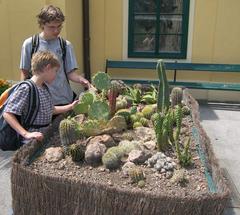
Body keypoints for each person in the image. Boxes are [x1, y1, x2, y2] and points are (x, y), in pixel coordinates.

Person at [20, 5, 91, 106]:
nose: (56, 31)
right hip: (40, 103)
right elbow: (25, 73)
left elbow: (70, 74)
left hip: (64, 100)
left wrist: (82, 80)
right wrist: (23, 97)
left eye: (59, 27)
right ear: (42, 24)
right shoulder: (30, 44)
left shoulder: (65, 45)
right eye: (52, 27)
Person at [3, 51, 78, 144]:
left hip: (43, 137)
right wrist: (26, 134)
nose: (56, 75)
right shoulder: (26, 88)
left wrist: (70, 106)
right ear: (48, 68)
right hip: (30, 142)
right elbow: (8, 113)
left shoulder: (44, 87)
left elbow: (51, 109)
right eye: (55, 71)